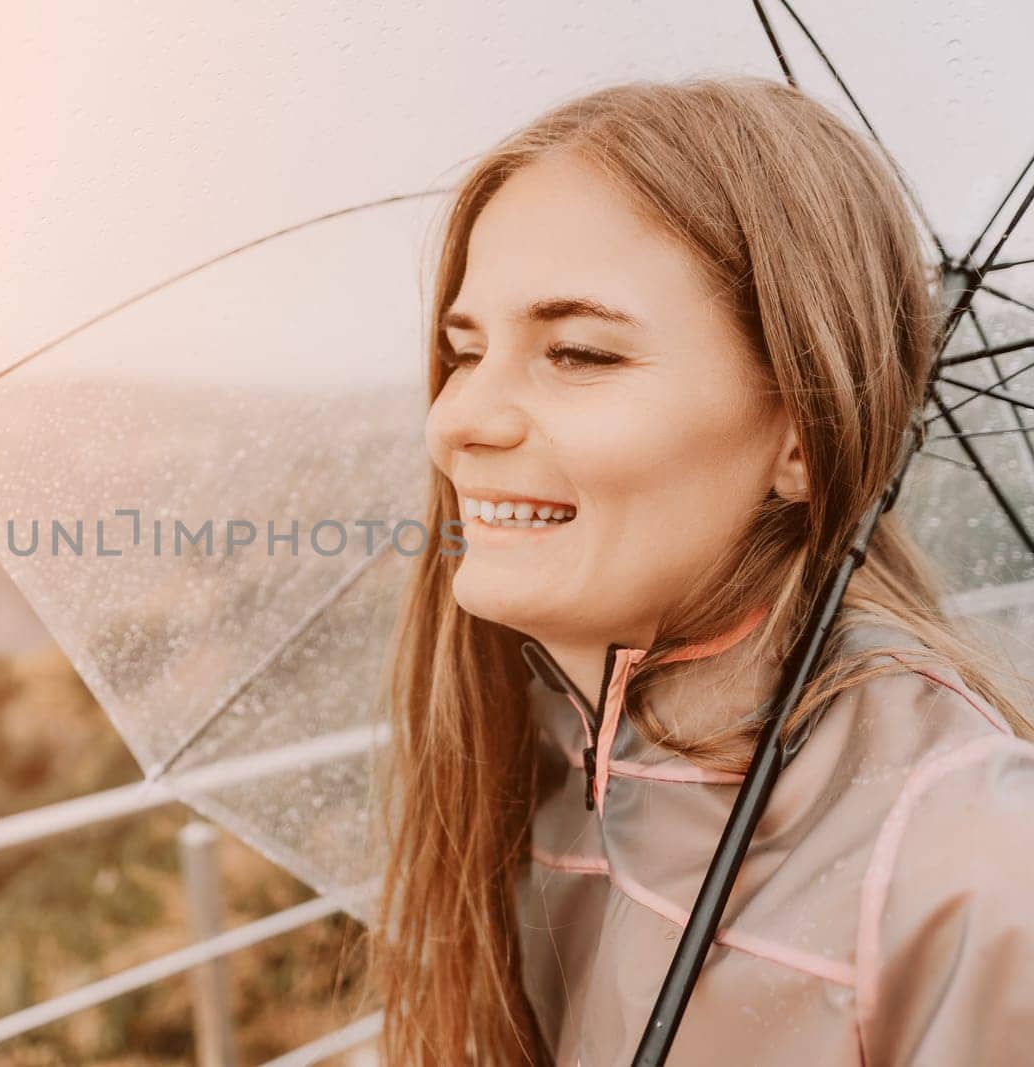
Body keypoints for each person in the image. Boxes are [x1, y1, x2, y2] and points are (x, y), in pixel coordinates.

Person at [366, 75, 1034, 1065]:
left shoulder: (970, 865)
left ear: (802, 434)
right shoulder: (545, 742)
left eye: (578, 352)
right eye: (464, 351)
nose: (458, 420)